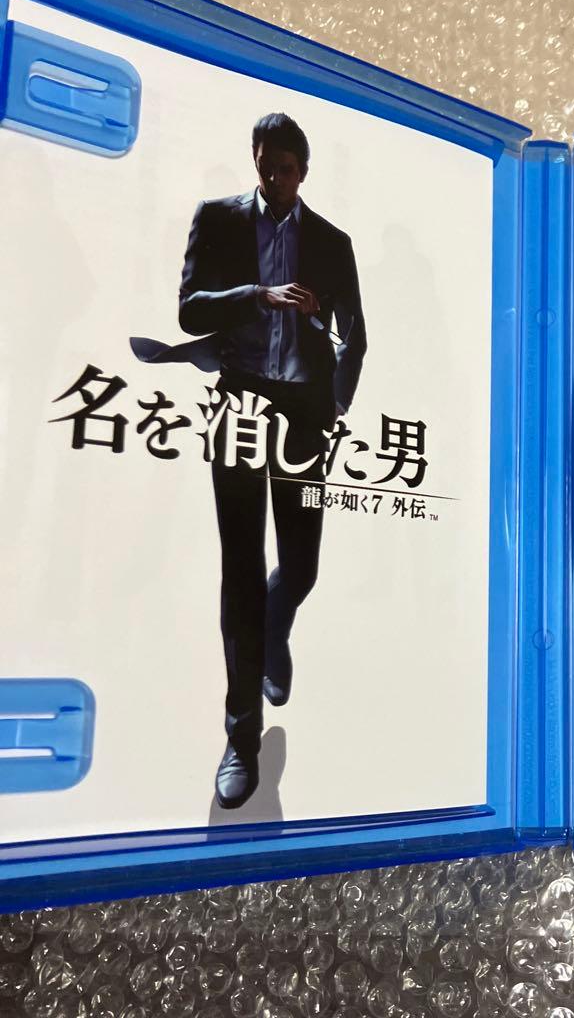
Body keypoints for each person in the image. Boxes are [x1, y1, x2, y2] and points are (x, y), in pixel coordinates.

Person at [133, 113, 366, 808]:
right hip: (239, 404)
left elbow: (354, 335)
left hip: (304, 412)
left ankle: (274, 628)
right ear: (256, 161)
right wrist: (257, 297)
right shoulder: (219, 219)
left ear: (304, 170)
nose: (276, 178)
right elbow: (188, 312)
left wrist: (335, 399)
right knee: (239, 568)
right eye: (266, 166)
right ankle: (241, 738)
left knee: (302, 565)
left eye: (287, 168)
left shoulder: (332, 242)